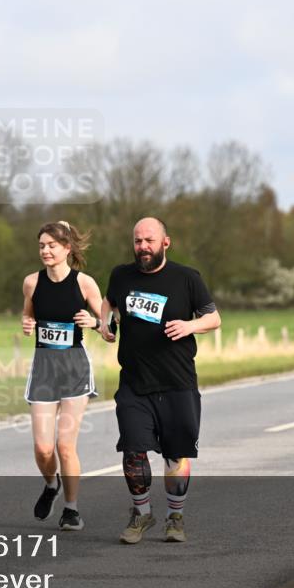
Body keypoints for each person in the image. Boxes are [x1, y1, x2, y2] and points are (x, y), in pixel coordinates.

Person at [100, 217, 220, 545]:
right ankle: (141, 513)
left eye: (149, 241)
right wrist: (105, 322)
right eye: (138, 241)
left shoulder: (187, 278)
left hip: (177, 381)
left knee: (175, 455)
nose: (143, 247)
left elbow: (214, 317)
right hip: (135, 382)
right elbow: (109, 301)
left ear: (166, 242)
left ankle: (175, 516)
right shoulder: (121, 275)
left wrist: (189, 326)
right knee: (133, 451)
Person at [21, 221, 103, 531]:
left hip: (74, 368)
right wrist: (27, 323)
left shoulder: (85, 284)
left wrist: (93, 322)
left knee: (65, 445)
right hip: (44, 367)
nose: (45, 250)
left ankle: (72, 509)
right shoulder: (31, 283)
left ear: (67, 249)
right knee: (43, 448)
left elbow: (111, 329)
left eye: (51, 245)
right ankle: (51, 484)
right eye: (41, 245)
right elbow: (28, 314)